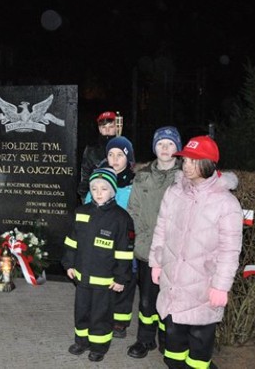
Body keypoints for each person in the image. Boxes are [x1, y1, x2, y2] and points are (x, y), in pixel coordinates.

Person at [149, 136, 242, 369]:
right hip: (173, 283)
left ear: (209, 164)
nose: (187, 166)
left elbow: (230, 249)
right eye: (185, 160)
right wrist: (157, 262)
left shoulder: (227, 203)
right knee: (173, 349)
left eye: (194, 161)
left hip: (203, 287)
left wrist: (221, 286)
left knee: (199, 351)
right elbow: (161, 228)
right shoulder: (174, 192)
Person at [62, 167, 133, 362]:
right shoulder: (81, 212)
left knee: (101, 315)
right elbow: (71, 242)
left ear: (113, 191)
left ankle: (99, 346)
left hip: (105, 280)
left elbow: (124, 253)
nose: (99, 193)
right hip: (82, 276)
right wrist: (69, 264)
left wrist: (121, 278)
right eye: (94, 189)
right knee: (82, 311)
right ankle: (81, 341)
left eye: (104, 189)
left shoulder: (121, 218)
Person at [126, 126, 182, 359]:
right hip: (148, 248)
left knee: (171, 298)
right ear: (154, 147)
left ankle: (168, 340)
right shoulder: (143, 176)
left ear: (177, 148)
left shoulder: (185, 177)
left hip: (177, 251)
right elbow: (134, 210)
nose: (165, 148)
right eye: (161, 144)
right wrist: (141, 239)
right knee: (148, 299)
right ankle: (144, 340)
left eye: (170, 144)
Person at [85, 135, 137, 338]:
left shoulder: (134, 183)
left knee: (124, 280)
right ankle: (102, 315)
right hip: (102, 240)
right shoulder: (99, 179)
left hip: (124, 239)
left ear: (128, 158)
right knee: (104, 280)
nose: (115, 159)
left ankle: (120, 320)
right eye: (110, 154)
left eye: (120, 155)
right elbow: (90, 203)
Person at [78, 111, 118, 199]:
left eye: (111, 126)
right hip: (95, 194)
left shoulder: (123, 146)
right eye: (104, 127)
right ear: (99, 129)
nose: (107, 130)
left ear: (116, 128)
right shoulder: (91, 148)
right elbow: (85, 174)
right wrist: (84, 196)